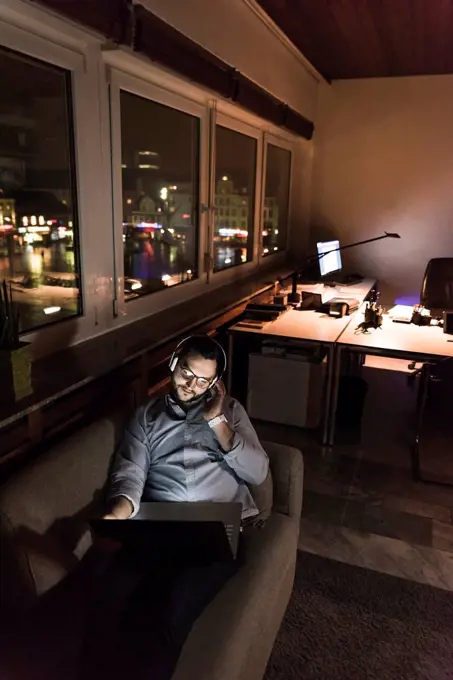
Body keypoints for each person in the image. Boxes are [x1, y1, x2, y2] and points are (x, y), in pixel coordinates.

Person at [80, 334, 269, 680]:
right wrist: (117, 515)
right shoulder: (146, 417)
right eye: (186, 373)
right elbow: (130, 473)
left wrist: (217, 423)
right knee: (108, 594)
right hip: (161, 523)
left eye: (203, 380)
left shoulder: (231, 412)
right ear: (173, 364)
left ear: (215, 383)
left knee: (171, 609)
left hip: (218, 526)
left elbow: (258, 473)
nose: (191, 386)